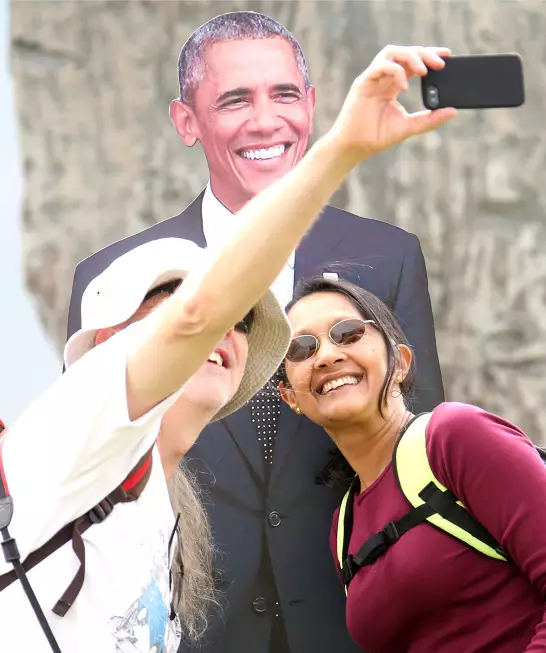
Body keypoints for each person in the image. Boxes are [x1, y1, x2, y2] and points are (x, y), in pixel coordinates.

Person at [0, 43, 459, 653]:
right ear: (107, 344)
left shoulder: (157, 520)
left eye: (246, 321)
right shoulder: (71, 434)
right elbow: (198, 317)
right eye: (168, 298)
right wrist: (342, 150)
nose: (225, 330)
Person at [65, 12, 446, 652]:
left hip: (354, 620)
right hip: (188, 624)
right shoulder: (113, 279)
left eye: (285, 94)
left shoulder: (391, 256)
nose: (266, 120)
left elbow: (419, 440)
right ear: (187, 121)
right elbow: (97, 465)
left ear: (315, 106)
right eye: (235, 99)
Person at [277, 277, 546, 653]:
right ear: (291, 396)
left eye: (348, 333)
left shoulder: (455, 437)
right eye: (302, 348)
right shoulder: (345, 529)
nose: (326, 355)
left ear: (401, 362)